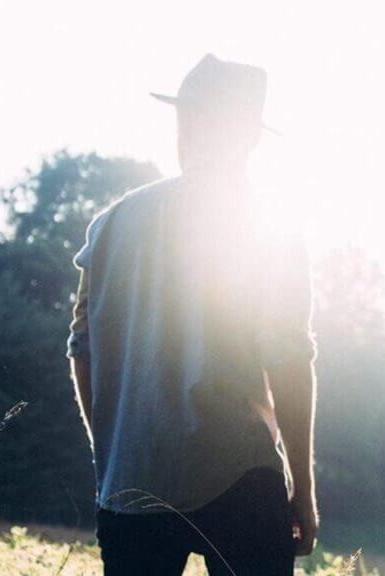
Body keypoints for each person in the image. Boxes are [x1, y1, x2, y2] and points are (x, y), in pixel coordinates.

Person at [67, 53, 319, 575]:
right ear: (249, 136)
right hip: (239, 478)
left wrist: (111, 459)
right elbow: (289, 362)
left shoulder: (110, 225)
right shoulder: (270, 227)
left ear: (186, 122)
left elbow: (82, 350)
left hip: (131, 487)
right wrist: (304, 490)